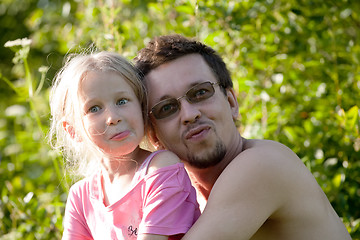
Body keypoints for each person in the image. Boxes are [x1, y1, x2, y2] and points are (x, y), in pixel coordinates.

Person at [134, 34, 352, 240]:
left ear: (231, 103)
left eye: (200, 93)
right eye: (167, 108)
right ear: (155, 137)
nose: (190, 115)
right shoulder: (187, 200)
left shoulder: (262, 165)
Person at [48, 51, 200, 240]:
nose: (113, 117)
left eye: (122, 101)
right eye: (94, 108)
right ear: (73, 130)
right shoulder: (80, 196)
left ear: (142, 108)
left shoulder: (161, 169)